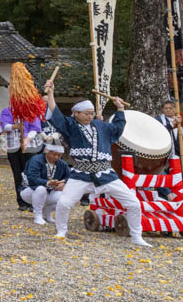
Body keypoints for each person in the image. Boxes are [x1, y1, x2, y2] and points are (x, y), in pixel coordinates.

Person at [43, 80, 150, 247]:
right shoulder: (70, 126)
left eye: (92, 113)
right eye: (86, 113)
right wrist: (51, 93)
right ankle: (61, 230)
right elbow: (56, 114)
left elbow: (117, 128)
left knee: (133, 202)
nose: (89, 116)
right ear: (76, 113)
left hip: (106, 173)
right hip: (81, 174)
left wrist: (120, 108)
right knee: (64, 203)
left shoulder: (101, 126)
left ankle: (137, 236)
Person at [0, 106, 43, 211]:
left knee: (31, 173)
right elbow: (4, 125)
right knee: (18, 174)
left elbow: (35, 128)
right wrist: (15, 126)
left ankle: (33, 202)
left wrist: (27, 140)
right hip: (13, 147)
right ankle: (21, 202)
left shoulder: (31, 110)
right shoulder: (6, 111)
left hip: (29, 147)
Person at [20, 138, 68, 226]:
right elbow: (32, 177)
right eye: (54, 154)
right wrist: (47, 183)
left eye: (59, 155)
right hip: (29, 191)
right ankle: (37, 215)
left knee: (66, 195)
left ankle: (47, 213)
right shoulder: (36, 160)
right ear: (47, 151)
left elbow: (71, 176)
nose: (56, 157)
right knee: (41, 189)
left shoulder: (62, 164)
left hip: (49, 192)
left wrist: (64, 183)